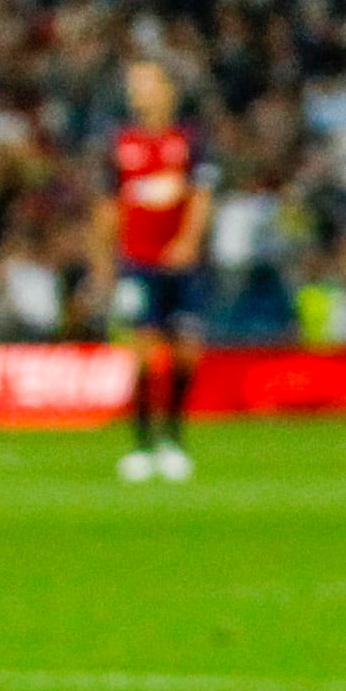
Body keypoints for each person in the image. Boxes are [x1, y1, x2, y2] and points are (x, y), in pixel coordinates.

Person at [98, 59, 211, 483]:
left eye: (144, 83)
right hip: (138, 261)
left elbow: (200, 195)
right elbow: (109, 205)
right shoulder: (121, 144)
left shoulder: (188, 141)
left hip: (181, 264)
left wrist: (188, 242)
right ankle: (143, 445)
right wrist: (108, 259)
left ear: (167, 90)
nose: (137, 92)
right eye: (133, 85)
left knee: (186, 351)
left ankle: (174, 439)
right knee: (142, 350)